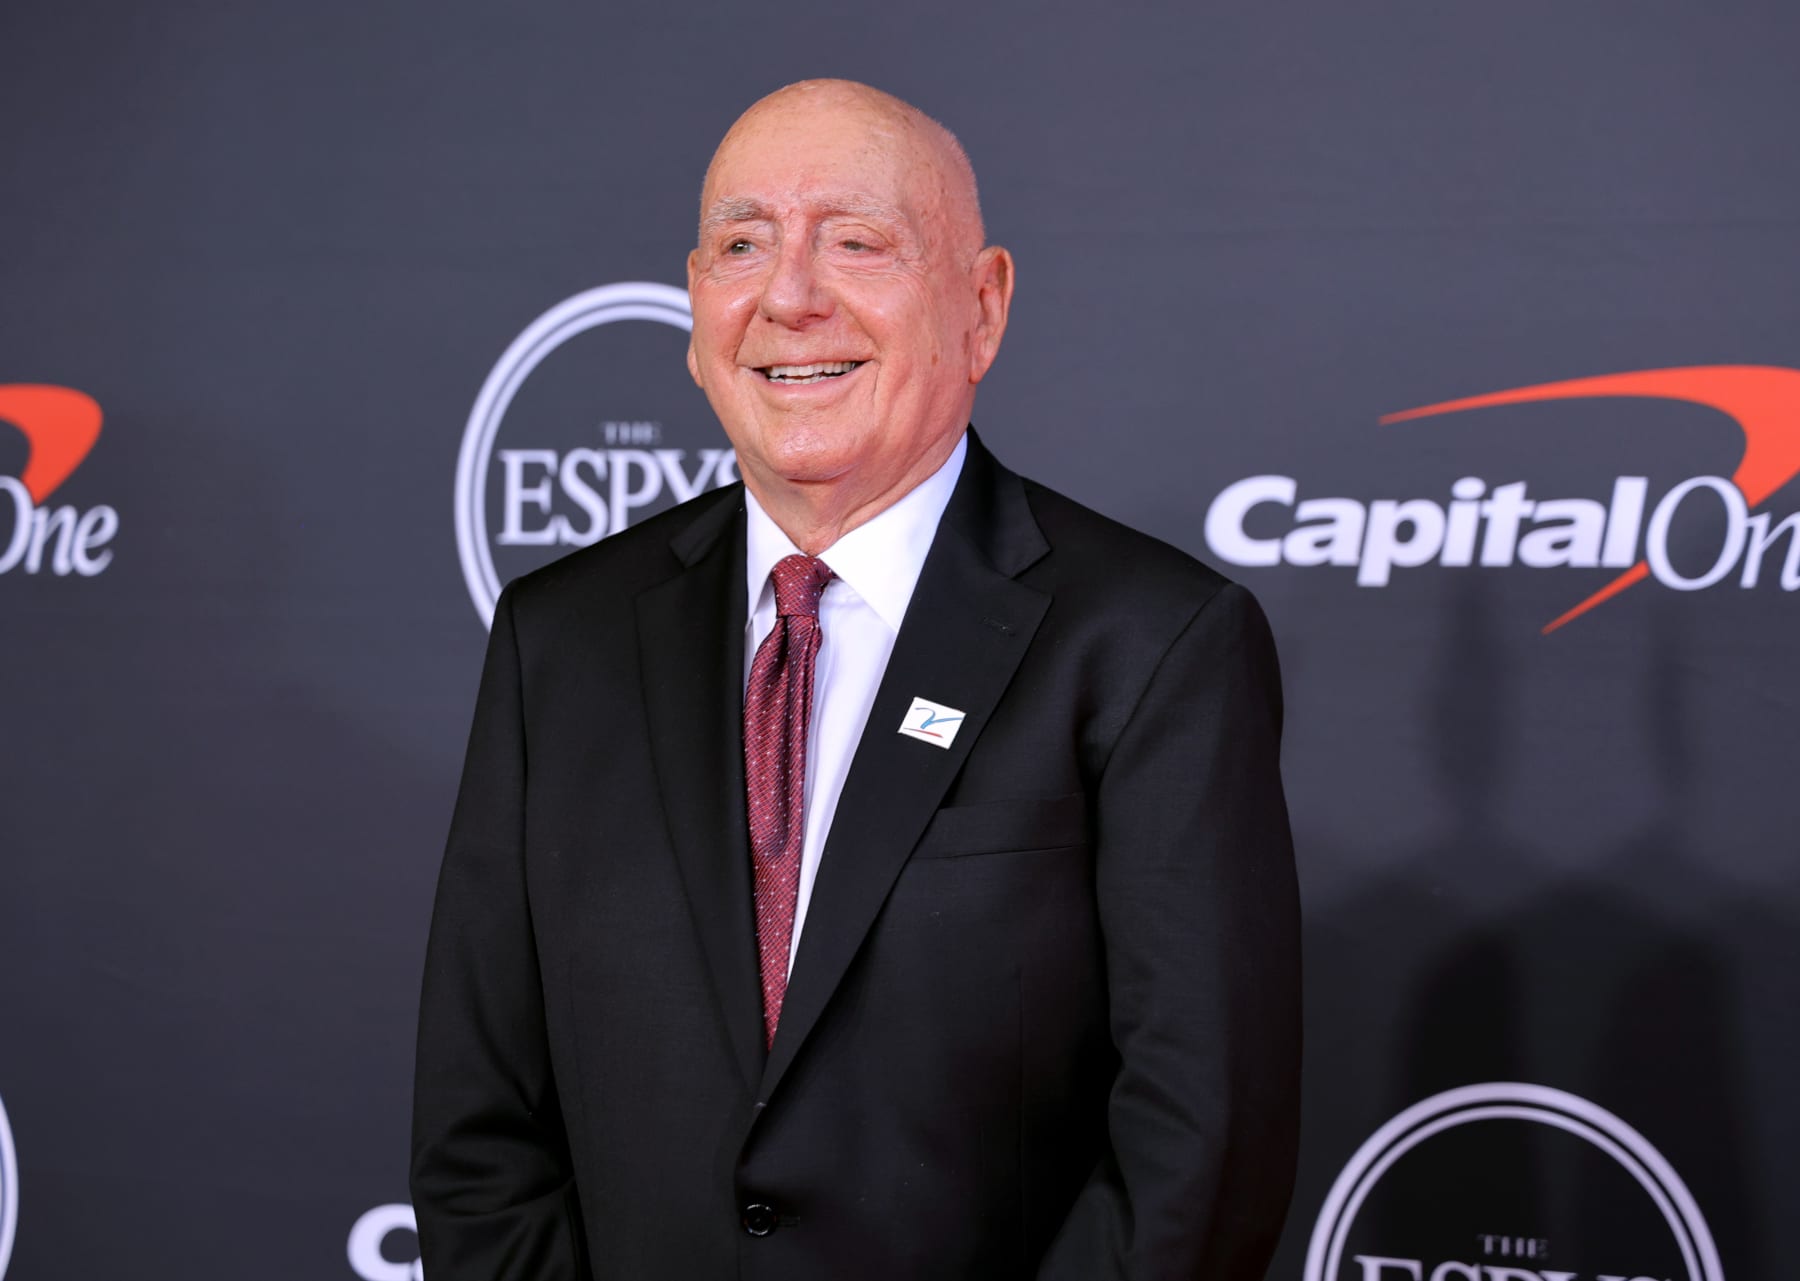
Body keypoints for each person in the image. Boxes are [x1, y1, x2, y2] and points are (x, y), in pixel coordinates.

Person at [411, 79, 1300, 1280]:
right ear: (694, 308)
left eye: (856, 243)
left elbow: (1200, 1156)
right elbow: (480, 1138)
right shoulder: (555, 639)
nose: (789, 297)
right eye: (743, 246)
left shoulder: (1153, 644)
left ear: (980, 308)